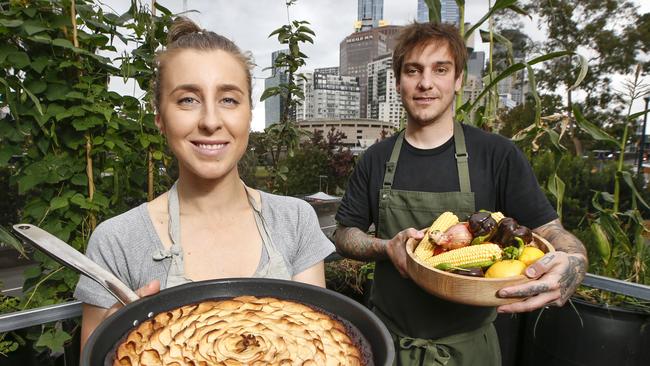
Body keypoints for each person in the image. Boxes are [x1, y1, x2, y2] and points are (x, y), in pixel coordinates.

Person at [334, 22, 587, 365]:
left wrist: (574, 259)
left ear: (458, 80)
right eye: (413, 70)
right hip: (389, 341)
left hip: (469, 350)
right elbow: (345, 233)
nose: (426, 82)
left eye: (440, 69)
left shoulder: (497, 154)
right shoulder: (376, 159)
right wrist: (386, 247)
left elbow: (550, 232)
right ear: (398, 82)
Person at [74, 17, 335, 350]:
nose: (211, 121)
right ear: (160, 118)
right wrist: (113, 340)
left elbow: (320, 347)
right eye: (187, 100)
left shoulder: (295, 220)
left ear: (249, 113)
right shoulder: (117, 242)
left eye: (228, 99)